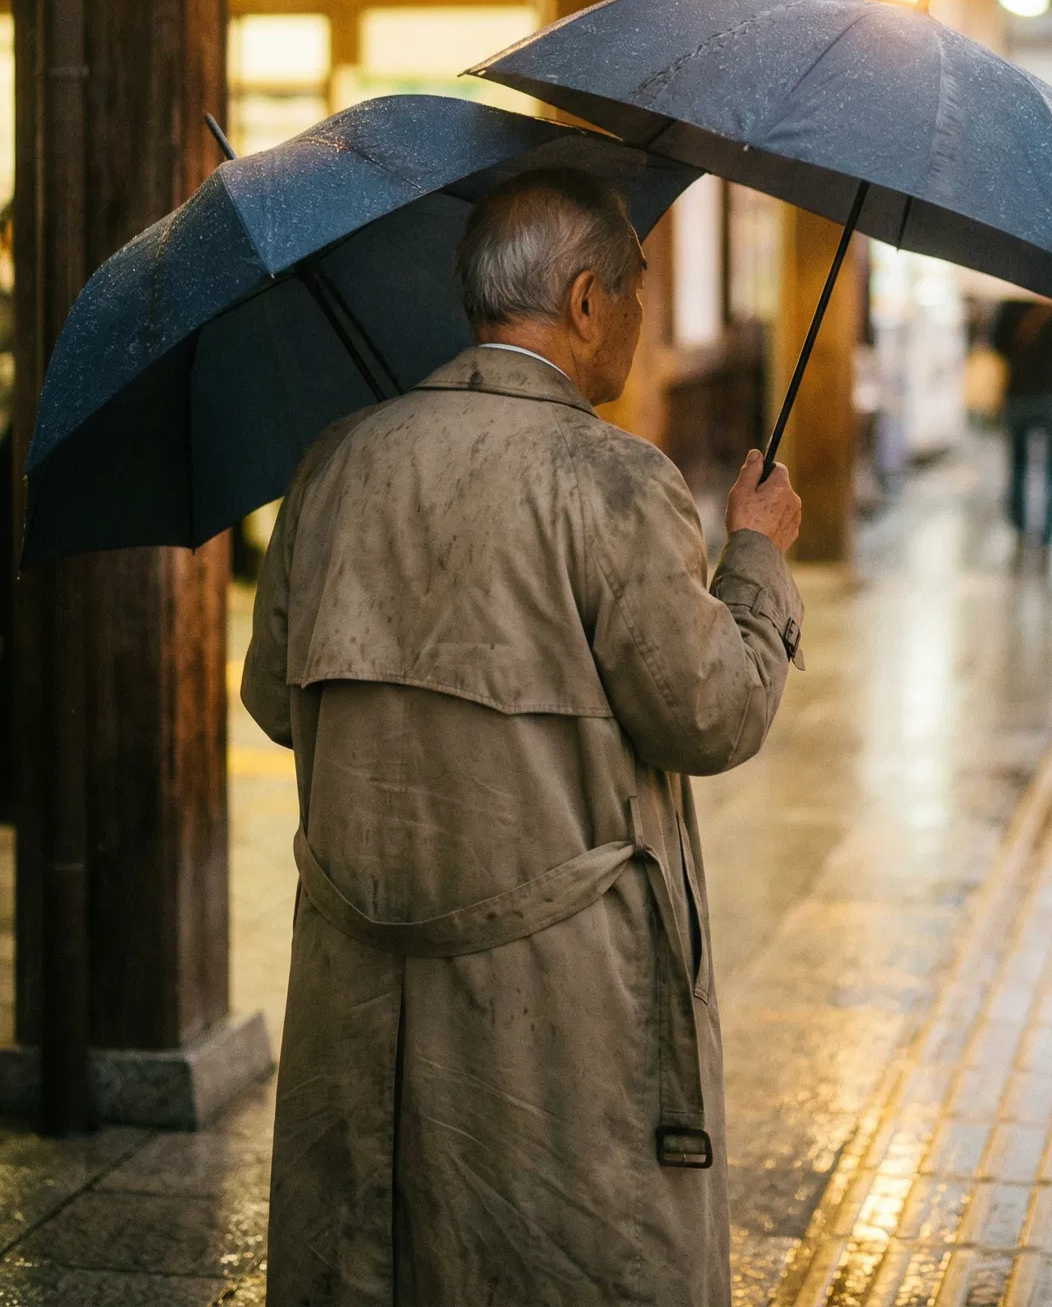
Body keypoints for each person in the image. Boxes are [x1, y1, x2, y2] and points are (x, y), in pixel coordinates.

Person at [243, 169, 804, 1306]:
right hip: (558, 1003)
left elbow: (272, 699)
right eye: (637, 293)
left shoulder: (340, 455)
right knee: (562, 1255)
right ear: (589, 301)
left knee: (380, 1253)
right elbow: (713, 713)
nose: (640, 321)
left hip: (364, 977)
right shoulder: (612, 478)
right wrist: (758, 556)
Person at [991, 295, 1052, 548]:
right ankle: (1048, 535)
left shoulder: (1010, 303)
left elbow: (996, 344)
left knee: (1018, 466)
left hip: (1019, 394)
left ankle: (1020, 528)